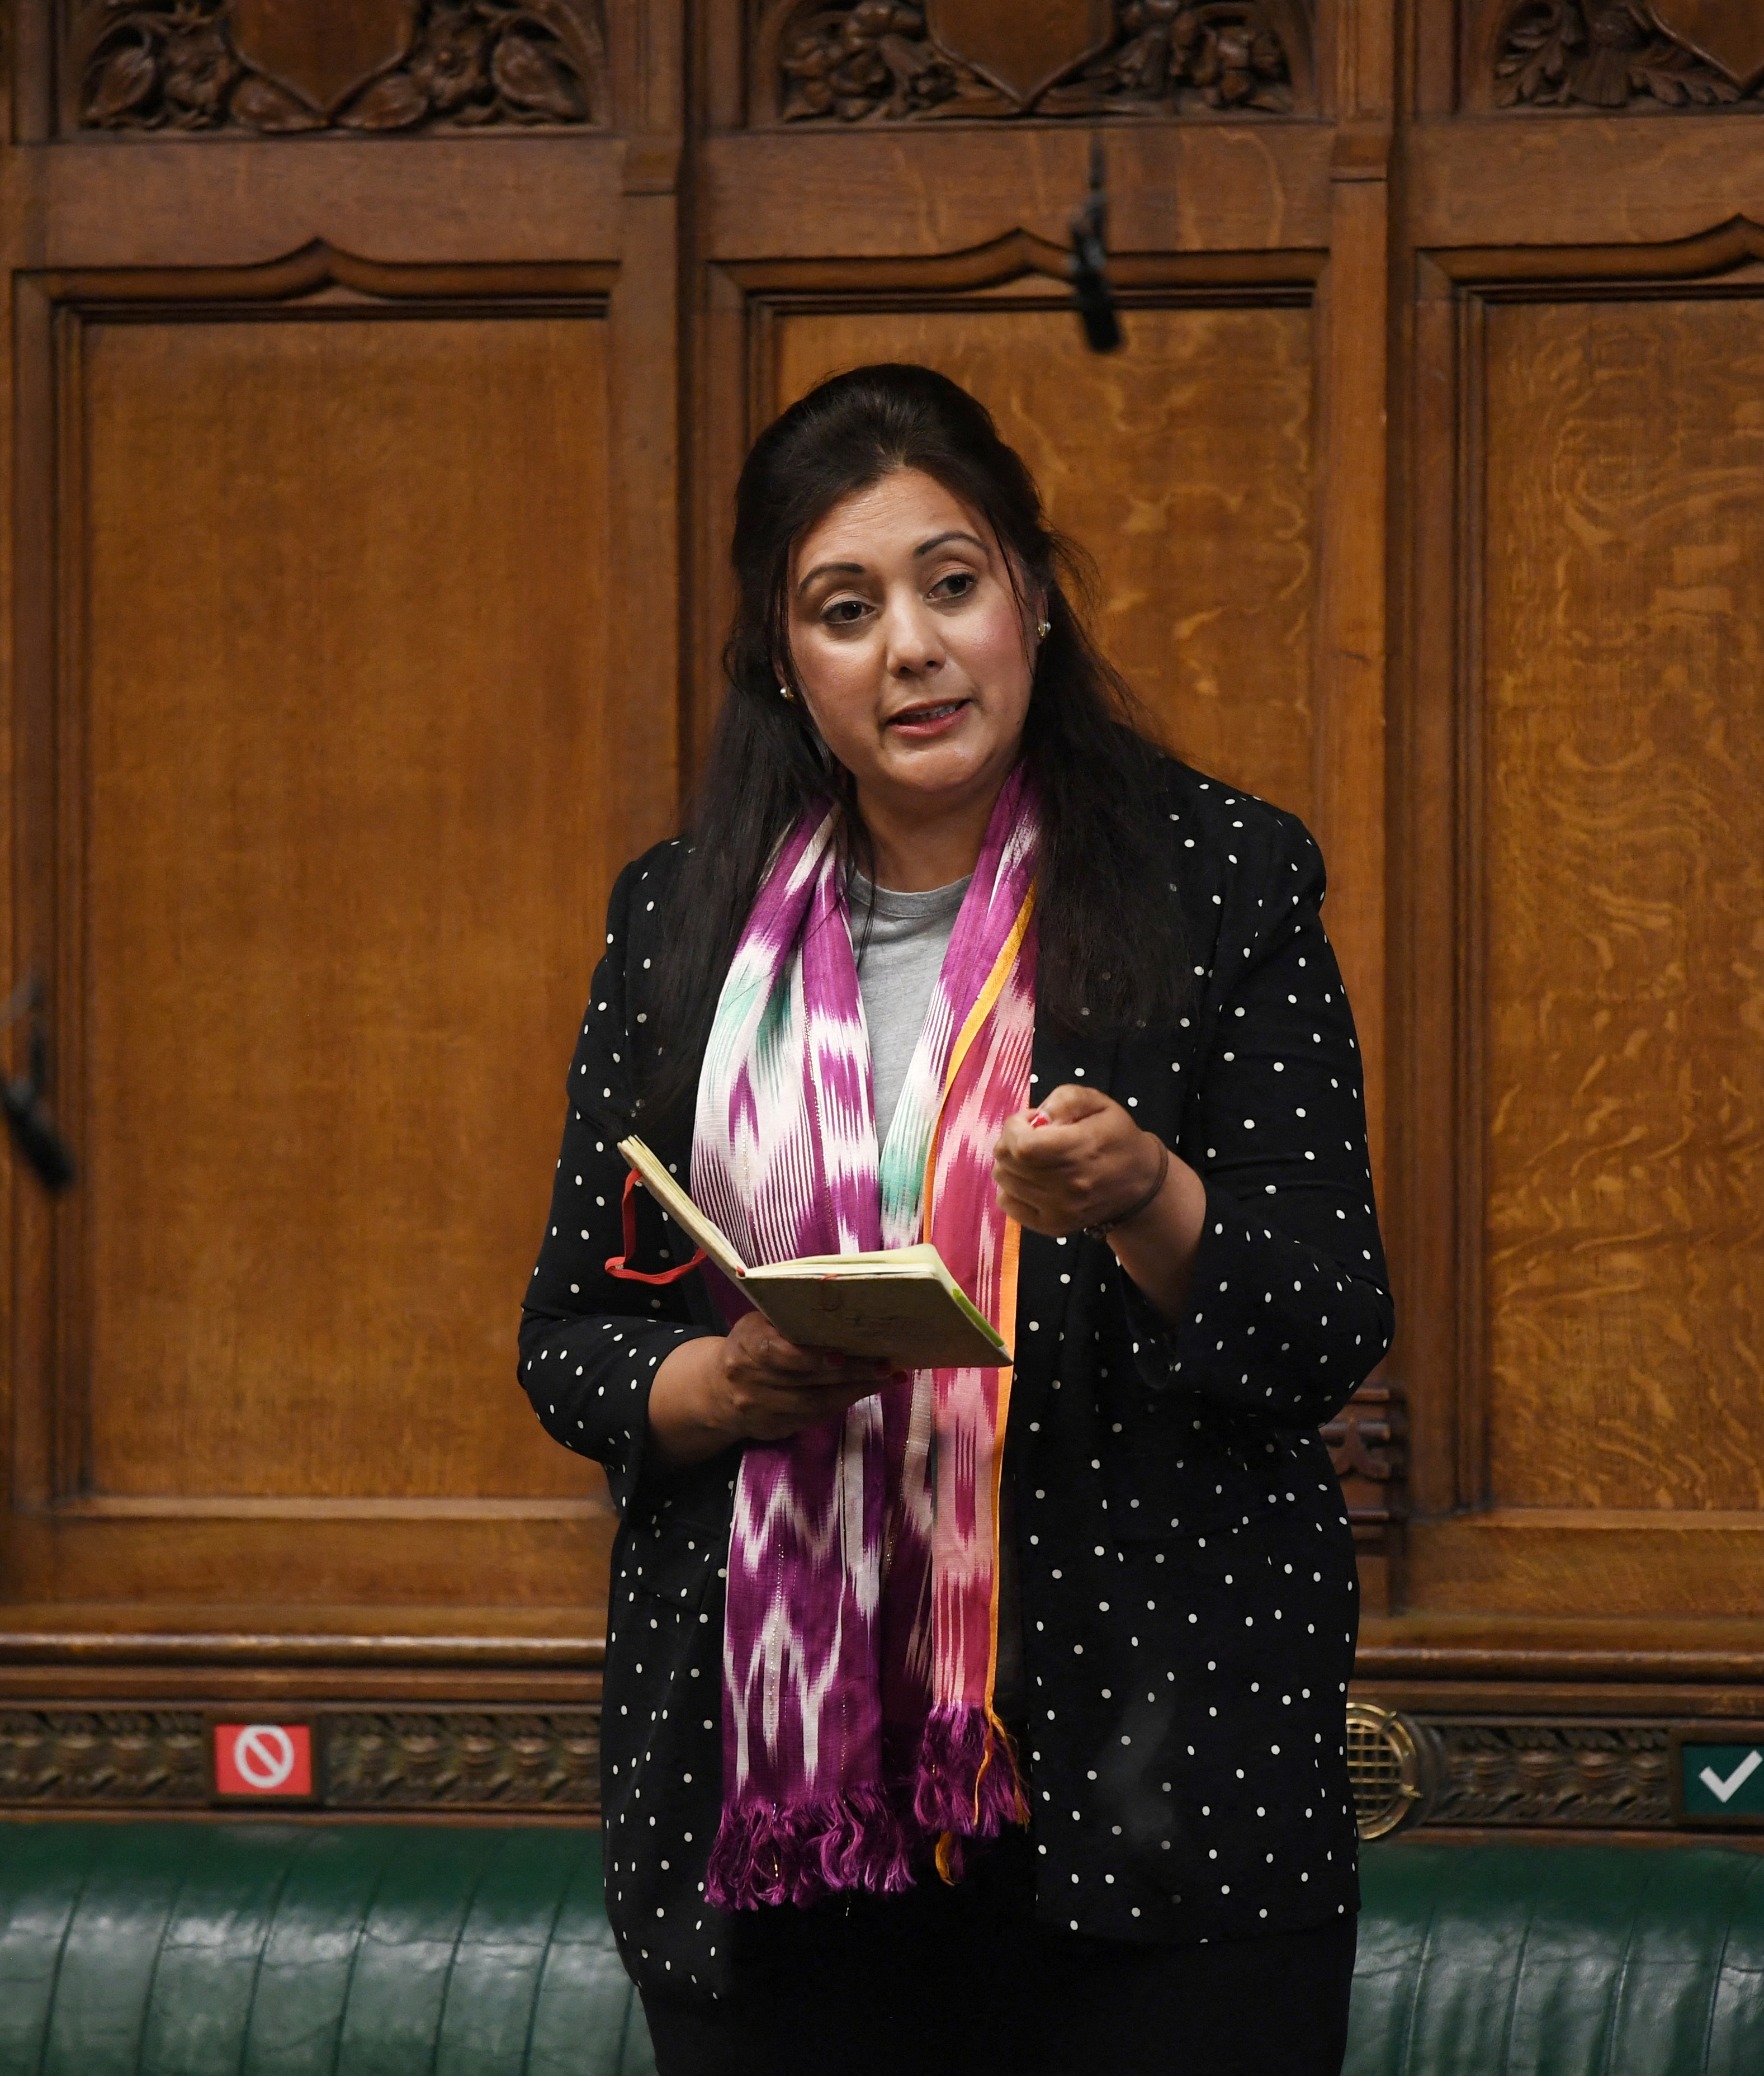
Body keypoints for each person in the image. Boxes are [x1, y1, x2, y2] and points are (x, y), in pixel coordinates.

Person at [518, 363, 1391, 2075]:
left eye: (952, 583)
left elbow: (1320, 1325)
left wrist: (1148, 1197)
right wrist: (726, 1388)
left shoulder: (1223, 884)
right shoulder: (679, 925)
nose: (910, 648)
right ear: (786, 661)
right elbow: (575, 1337)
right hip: (778, 1820)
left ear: (1035, 599)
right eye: (846, 610)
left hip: (1161, 1793)